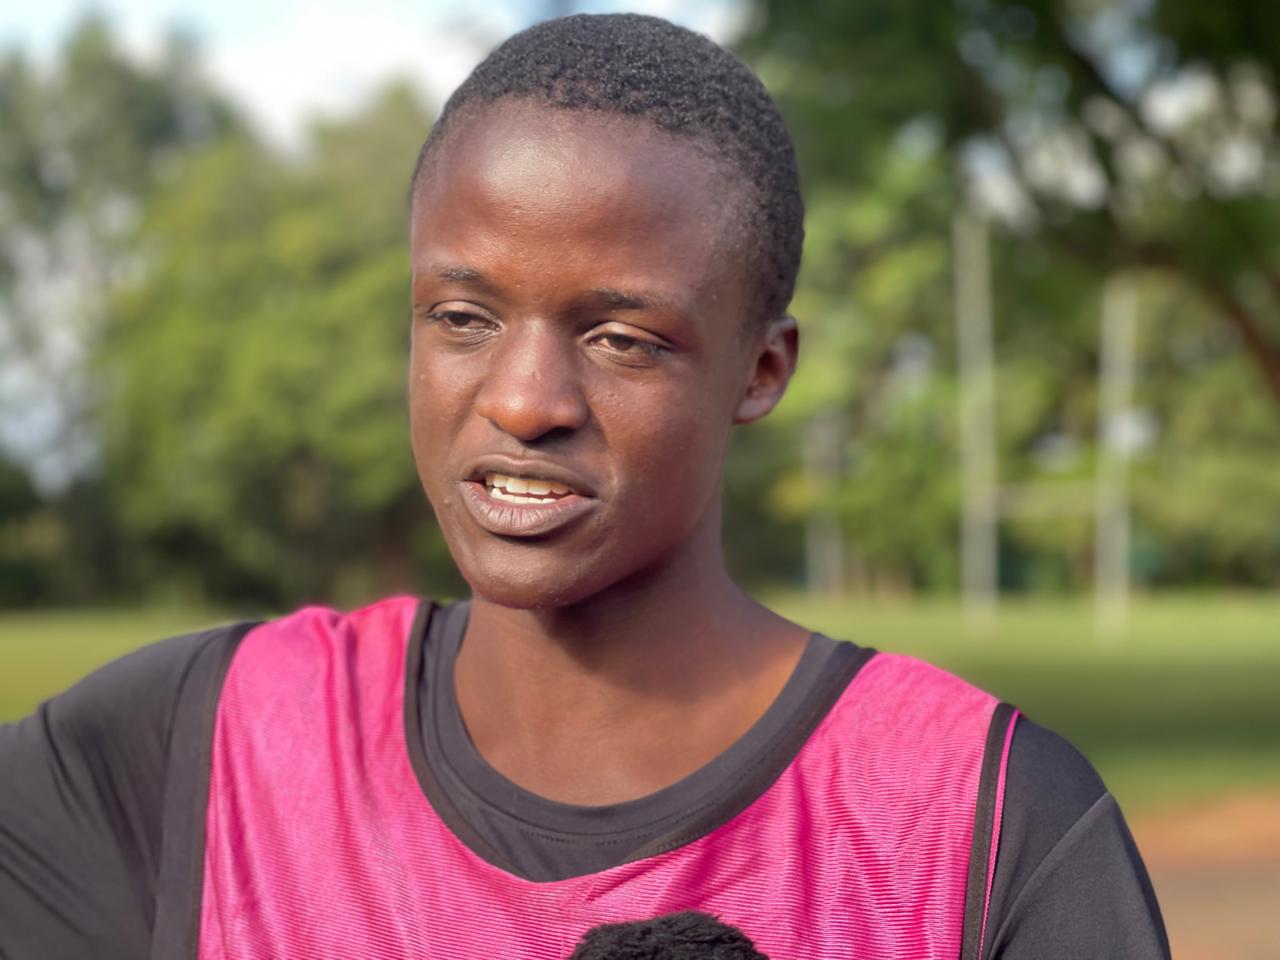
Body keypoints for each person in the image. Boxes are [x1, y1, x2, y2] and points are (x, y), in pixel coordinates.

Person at [0, 13, 1170, 960]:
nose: (521, 401)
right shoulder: (190, 749)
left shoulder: (980, 823)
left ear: (759, 371)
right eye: (462, 318)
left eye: (619, 339)